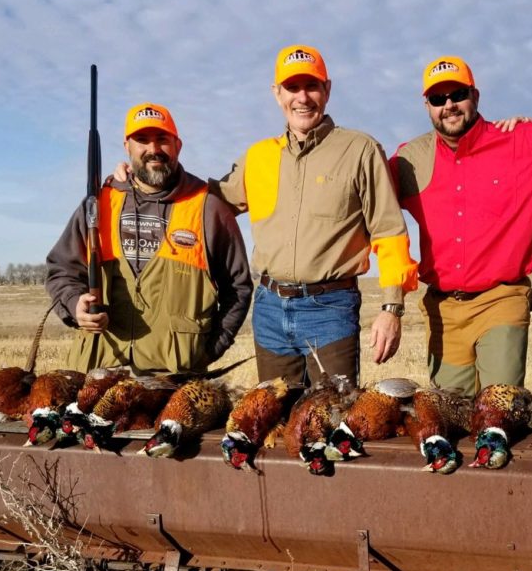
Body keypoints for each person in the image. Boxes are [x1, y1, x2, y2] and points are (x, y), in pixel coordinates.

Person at [211, 44, 419, 385]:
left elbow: (388, 231)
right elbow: (207, 201)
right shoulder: (258, 157)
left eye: (312, 86)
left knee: (333, 414)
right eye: (292, 87)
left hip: (331, 310)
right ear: (277, 94)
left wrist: (391, 308)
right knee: (274, 414)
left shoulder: (359, 150)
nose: (302, 98)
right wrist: (136, 181)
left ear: (327, 90)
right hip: (269, 309)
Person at [391, 56, 532, 394]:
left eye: (458, 94)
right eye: (438, 99)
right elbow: (366, 193)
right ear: (427, 106)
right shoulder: (410, 159)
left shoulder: (521, 141)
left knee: (500, 406)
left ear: (475, 96)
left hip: (502, 300)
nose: (449, 106)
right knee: (450, 412)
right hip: (444, 310)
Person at [46, 102, 252, 375]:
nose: (153, 149)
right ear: (127, 147)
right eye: (142, 140)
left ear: (178, 146)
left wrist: (206, 352)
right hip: (99, 372)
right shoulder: (100, 203)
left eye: (162, 139)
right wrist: (75, 305)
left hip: (173, 379)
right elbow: (62, 270)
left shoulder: (207, 207)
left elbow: (237, 288)